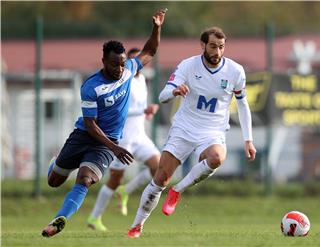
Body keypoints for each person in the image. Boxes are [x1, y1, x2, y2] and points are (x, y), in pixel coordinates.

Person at [41, 8, 167, 238]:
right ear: (103, 61)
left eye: (121, 63)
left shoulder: (129, 69)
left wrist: (156, 28)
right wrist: (115, 148)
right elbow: (90, 125)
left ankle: (59, 219)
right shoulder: (91, 87)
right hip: (84, 136)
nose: (119, 69)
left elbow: (150, 50)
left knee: (86, 179)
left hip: (104, 145)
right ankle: (57, 164)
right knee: (54, 181)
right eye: (114, 64)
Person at [127, 27, 257, 238]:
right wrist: (175, 91)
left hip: (213, 130)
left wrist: (248, 140)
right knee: (161, 177)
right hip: (184, 128)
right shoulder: (188, 66)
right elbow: (162, 96)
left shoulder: (235, 71)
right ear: (203, 45)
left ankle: (177, 191)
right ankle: (136, 226)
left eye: (221, 47)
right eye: (213, 46)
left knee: (216, 157)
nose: (217, 52)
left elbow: (243, 105)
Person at [86, 47, 161, 231]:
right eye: (133, 60)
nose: (136, 65)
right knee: (115, 179)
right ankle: (94, 218)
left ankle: (125, 191)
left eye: (139, 61)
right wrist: (142, 111)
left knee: (159, 168)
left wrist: (147, 113)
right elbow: (121, 111)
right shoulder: (122, 81)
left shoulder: (142, 79)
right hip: (123, 139)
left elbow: (139, 107)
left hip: (139, 136)